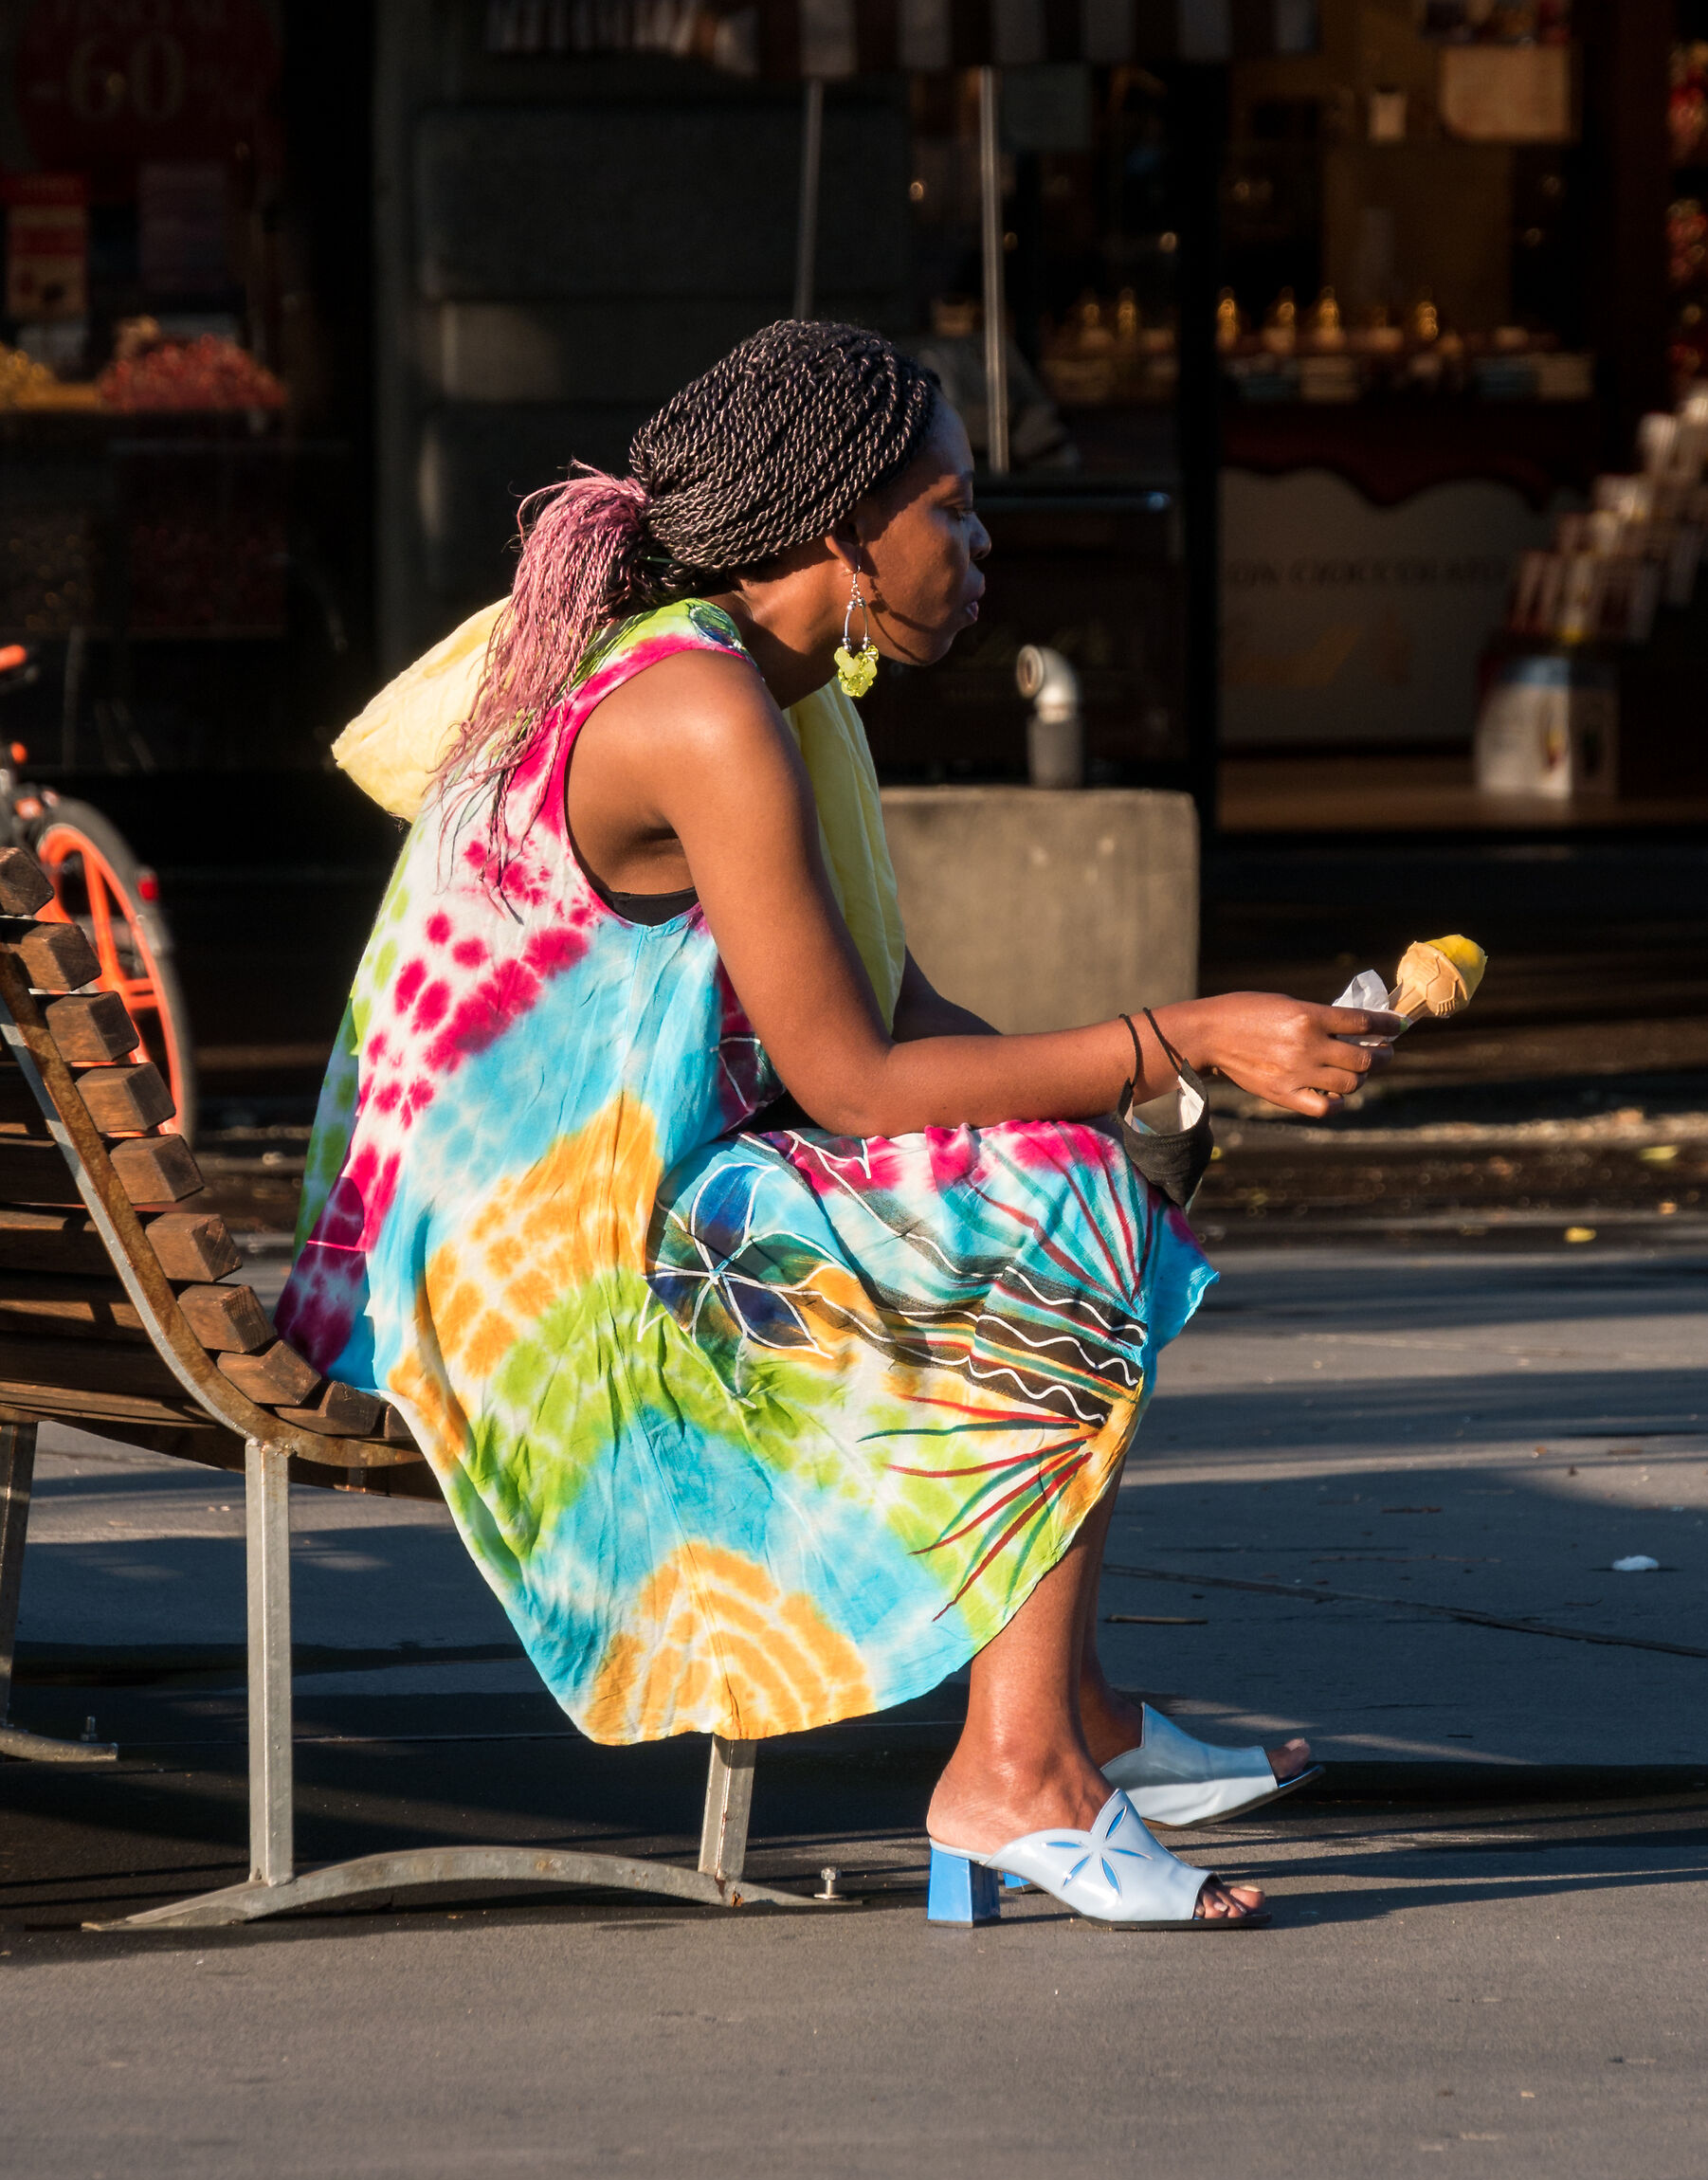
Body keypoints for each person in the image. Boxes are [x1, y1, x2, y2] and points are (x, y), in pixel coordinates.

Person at [280, 321, 1399, 1930]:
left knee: (1075, 1171)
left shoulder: (751, 681)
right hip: (516, 1294)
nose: (980, 541)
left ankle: (1061, 1726)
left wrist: (1160, 1072)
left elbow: (903, 1021)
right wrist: (1177, 1035)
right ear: (835, 537)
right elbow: (857, 1086)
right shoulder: (701, 711)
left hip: (542, 1218)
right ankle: (1013, 1779)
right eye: (948, 507)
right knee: (1060, 1199)